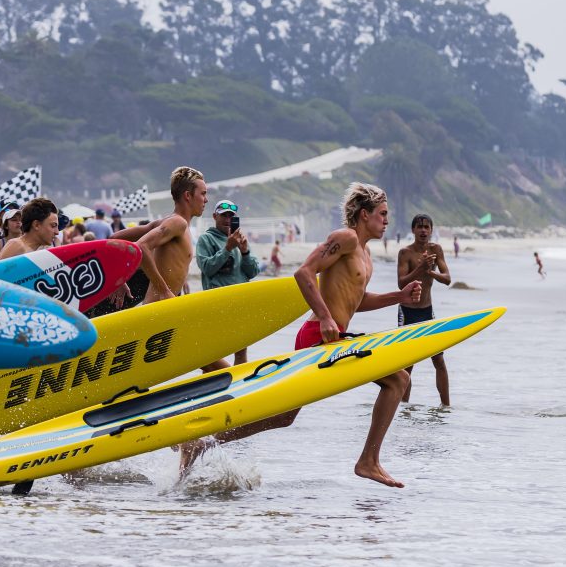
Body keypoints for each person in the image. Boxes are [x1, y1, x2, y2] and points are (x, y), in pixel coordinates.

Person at [180, 182, 423, 489]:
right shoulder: (345, 239)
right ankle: (368, 462)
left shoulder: (365, 255)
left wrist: (397, 297)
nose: (387, 221)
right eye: (383, 214)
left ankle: (203, 443)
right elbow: (304, 273)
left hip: (335, 335)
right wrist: (323, 316)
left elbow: (353, 301)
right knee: (398, 379)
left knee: (284, 417)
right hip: (318, 336)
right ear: (364, 215)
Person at [195, 199, 261, 364]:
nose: (227, 219)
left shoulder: (239, 240)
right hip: (218, 304)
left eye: (231, 216)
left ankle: (241, 386)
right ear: (215, 216)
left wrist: (245, 252)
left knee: (240, 352)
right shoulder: (206, 239)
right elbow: (207, 268)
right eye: (224, 215)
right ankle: (216, 384)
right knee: (211, 356)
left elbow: (252, 271)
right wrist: (227, 249)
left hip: (240, 303)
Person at [396, 213, 452, 405]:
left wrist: (430, 271)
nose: (423, 231)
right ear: (413, 230)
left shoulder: (436, 250)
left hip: (427, 311)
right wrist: (420, 268)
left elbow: (447, 279)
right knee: (407, 365)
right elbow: (400, 283)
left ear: (431, 230)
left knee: (439, 361)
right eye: (419, 227)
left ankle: (446, 407)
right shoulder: (405, 253)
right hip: (408, 312)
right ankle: (404, 408)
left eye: (426, 227)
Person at [132, 166, 209, 304]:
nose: (206, 200)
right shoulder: (177, 223)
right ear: (188, 196)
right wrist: (164, 291)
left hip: (159, 310)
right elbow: (141, 246)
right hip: (157, 312)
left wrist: (118, 281)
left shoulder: (168, 222)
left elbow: (114, 238)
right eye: (203, 194)